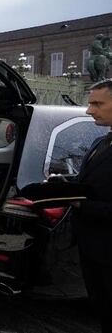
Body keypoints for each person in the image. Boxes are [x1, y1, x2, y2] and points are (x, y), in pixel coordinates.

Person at [73, 79, 112, 332]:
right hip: (91, 249)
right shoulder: (101, 142)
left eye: (97, 104)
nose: (89, 111)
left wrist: (81, 205)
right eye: (89, 104)